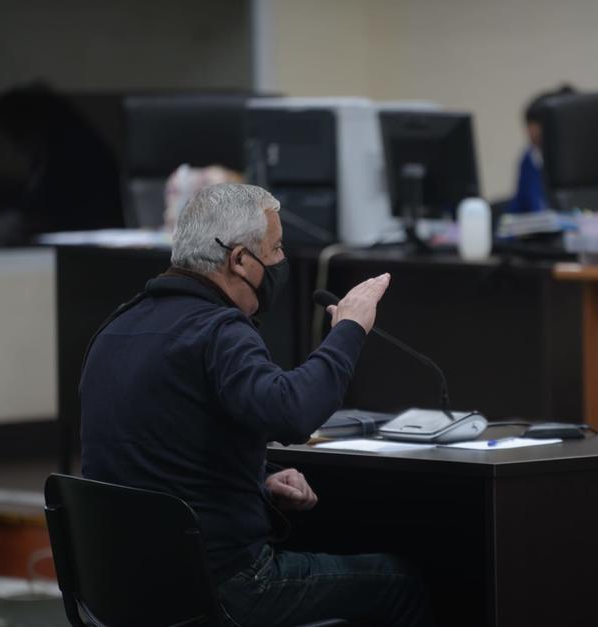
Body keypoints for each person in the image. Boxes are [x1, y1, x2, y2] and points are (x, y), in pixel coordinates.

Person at [80, 183, 434, 626]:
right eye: (276, 248)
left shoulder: (114, 329)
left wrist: (259, 481)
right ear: (240, 260)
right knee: (400, 582)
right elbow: (292, 413)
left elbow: (157, 456)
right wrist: (348, 328)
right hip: (223, 588)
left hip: (121, 592)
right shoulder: (218, 330)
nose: (282, 261)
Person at [506, 84, 576, 214]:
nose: (529, 132)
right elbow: (517, 210)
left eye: (535, 125)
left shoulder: (579, 163)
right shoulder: (530, 158)